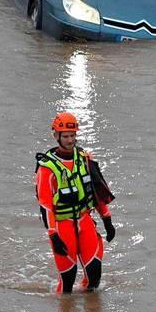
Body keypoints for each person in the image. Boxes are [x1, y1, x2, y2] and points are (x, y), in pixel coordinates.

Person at [36, 111, 116, 293]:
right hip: (62, 227)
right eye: (65, 136)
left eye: (73, 136)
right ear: (56, 136)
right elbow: (46, 205)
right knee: (67, 283)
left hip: (85, 221)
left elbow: (96, 191)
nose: (70, 140)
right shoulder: (47, 168)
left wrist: (107, 218)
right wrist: (53, 235)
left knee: (94, 277)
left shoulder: (85, 159)